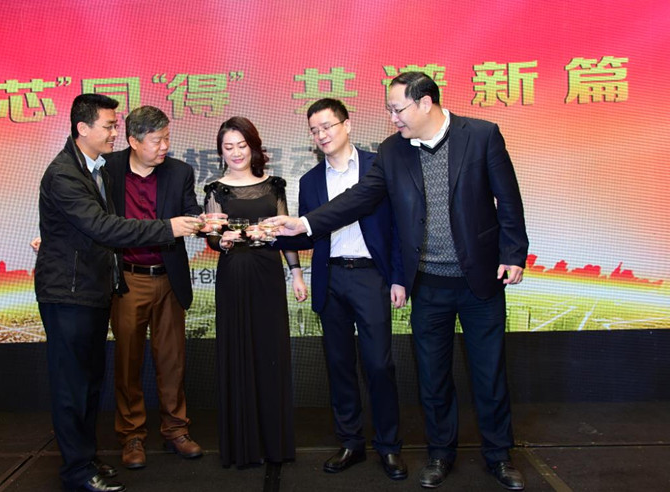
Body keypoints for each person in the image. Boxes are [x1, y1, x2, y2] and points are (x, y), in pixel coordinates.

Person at [269, 72, 529, 490]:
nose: (392, 118)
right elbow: (359, 198)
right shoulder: (393, 151)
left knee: (489, 374)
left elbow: (508, 199)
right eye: (390, 110)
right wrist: (304, 224)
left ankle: (499, 456)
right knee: (433, 377)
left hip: (479, 279)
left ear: (425, 103)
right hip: (427, 283)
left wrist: (513, 253)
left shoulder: (481, 136)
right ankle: (440, 454)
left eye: (397, 109)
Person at [35, 94, 202, 492]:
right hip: (70, 294)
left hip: (91, 290)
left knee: (89, 383)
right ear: (83, 128)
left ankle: (86, 459)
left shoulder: (92, 168)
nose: (114, 132)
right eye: (109, 126)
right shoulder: (65, 174)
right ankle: (77, 471)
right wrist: (169, 227)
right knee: (72, 387)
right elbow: (104, 227)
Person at [277, 98, 408, 480]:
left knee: (379, 365)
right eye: (314, 130)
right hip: (331, 277)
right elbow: (307, 234)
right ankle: (351, 441)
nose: (321, 135)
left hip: (371, 277)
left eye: (327, 126)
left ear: (347, 125)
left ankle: (389, 446)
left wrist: (398, 277)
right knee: (339, 365)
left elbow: (398, 227)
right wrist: (277, 244)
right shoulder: (310, 181)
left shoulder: (377, 167)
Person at [202, 116, 306, 468]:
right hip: (234, 275)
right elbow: (213, 236)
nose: (236, 153)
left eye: (241, 145)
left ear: (253, 146)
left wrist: (296, 273)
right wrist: (223, 241)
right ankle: (242, 447)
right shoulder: (216, 190)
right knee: (238, 352)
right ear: (220, 152)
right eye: (228, 147)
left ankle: (274, 444)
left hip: (268, 275)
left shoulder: (274, 186)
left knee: (270, 351)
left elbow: (286, 234)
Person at [106, 106, 203, 469]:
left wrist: (203, 223)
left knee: (172, 361)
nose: (165, 146)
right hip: (128, 280)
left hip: (168, 278)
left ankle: (176, 430)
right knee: (127, 361)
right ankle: (131, 434)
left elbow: (190, 212)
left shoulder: (180, 172)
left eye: (167, 138)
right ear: (133, 141)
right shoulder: (108, 169)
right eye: (157, 140)